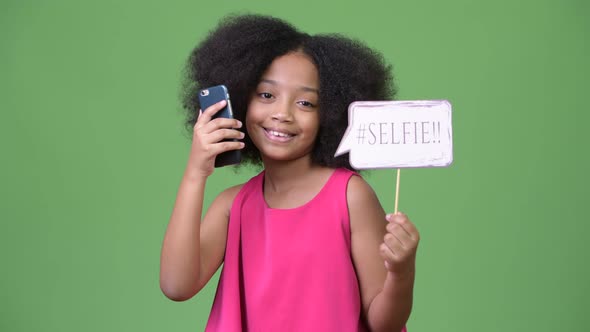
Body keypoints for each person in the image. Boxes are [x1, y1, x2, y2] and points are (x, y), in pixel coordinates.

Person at [160, 14, 420, 332]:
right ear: (239, 101)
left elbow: (384, 324)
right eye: (266, 95)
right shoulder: (234, 206)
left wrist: (402, 273)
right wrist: (194, 174)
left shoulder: (350, 196)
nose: (282, 114)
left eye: (306, 103)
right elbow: (176, 286)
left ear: (332, 113)